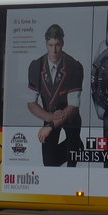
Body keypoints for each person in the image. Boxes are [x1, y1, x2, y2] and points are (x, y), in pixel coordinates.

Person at [26, 23, 84, 167]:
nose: (54, 50)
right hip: (49, 115)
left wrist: (50, 126)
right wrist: (50, 118)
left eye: (57, 45)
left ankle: (76, 146)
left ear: (62, 43)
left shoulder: (74, 66)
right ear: (46, 44)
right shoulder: (35, 66)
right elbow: (31, 103)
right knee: (49, 163)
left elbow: (73, 106)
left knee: (72, 163)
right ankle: (78, 146)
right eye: (50, 45)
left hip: (70, 119)